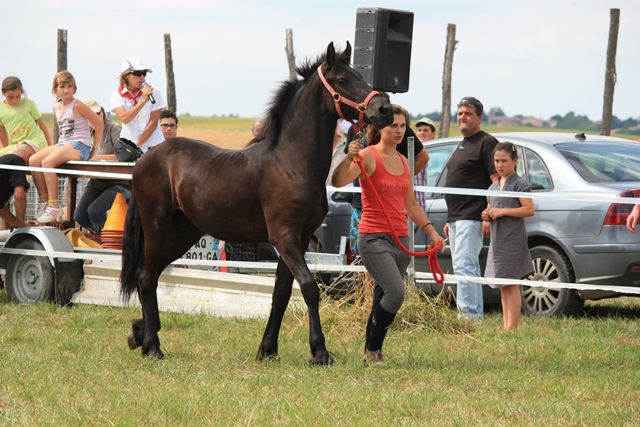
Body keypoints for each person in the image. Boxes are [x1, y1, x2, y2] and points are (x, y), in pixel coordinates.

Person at [332, 104, 446, 364]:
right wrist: (348, 157)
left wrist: (431, 232)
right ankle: (373, 350)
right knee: (396, 293)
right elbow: (337, 182)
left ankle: (372, 351)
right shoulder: (368, 156)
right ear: (381, 127)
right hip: (373, 237)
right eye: (393, 125)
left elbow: (411, 205)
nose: (398, 130)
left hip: (400, 239)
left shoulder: (405, 162)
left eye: (402, 126)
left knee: (382, 297)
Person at [443, 96, 499, 320]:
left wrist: (487, 214)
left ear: (479, 117)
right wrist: (449, 219)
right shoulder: (463, 143)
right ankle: (473, 315)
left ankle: (468, 317)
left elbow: (496, 182)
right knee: (466, 268)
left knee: (465, 267)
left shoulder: (486, 143)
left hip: (473, 216)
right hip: (457, 217)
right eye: (460, 113)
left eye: (467, 113)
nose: (462, 117)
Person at [30, 71, 103, 224]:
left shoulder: (77, 105)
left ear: (74, 89)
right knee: (34, 160)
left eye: (70, 86)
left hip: (80, 145)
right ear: (55, 89)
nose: (66, 90)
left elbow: (99, 122)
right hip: (64, 143)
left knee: (47, 163)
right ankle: (44, 201)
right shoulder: (56, 107)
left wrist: (94, 148)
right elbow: (63, 134)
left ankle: (54, 204)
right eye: (62, 86)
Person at [482, 142, 534, 331]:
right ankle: (506, 326)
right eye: (497, 161)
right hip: (497, 242)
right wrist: (486, 216)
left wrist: (503, 211)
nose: (500, 164)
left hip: (512, 240)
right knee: (502, 284)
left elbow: (529, 210)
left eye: (504, 160)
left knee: (511, 283)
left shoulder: (520, 185)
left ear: (515, 161)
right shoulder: (493, 187)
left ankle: (512, 328)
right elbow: (489, 208)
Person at [73, 98, 130, 233]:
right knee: (79, 216)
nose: (96, 117)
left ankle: (110, 238)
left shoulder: (114, 129)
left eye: (98, 113)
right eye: (91, 115)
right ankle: (100, 235)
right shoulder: (85, 133)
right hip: (97, 182)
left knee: (94, 210)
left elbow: (123, 156)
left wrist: (96, 157)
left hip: (120, 183)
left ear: (103, 113)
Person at [110, 58, 166, 153]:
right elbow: (125, 118)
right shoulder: (116, 95)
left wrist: (137, 146)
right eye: (137, 73)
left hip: (153, 146)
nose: (142, 77)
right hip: (128, 145)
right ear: (126, 75)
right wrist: (143, 101)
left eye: (144, 73)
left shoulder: (155, 92)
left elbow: (153, 124)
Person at [0, 76, 53, 155]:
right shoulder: (1, 108)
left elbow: (41, 123)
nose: (14, 100)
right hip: (17, 145)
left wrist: (50, 145)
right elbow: (2, 131)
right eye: (10, 97)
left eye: (18, 96)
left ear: (21, 91)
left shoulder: (29, 103)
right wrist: (5, 151)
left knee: (18, 153)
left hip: (36, 142)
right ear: (3, 92)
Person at [0, 141, 39, 230]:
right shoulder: (17, 161)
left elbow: (1, 207)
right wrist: (21, 224)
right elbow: (19, 196)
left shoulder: (5, 161)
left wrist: (15, 222)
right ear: (28, 157)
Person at [413, 117, 437, 244]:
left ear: (433, 134)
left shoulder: (434, 153)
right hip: (414, 205)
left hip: (421, 204)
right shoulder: (412, 152)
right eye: (419, 130)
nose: (421, 133)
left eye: (425, 130)